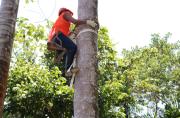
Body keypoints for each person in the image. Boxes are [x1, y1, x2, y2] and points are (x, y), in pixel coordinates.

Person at [47, 8, 96, 77]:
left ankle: (66, 70)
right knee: (73, 47)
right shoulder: (66, 14)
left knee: (68, 52)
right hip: (58, 36)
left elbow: (67, 34)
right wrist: (87, 22)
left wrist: (74, 33)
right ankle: (67, 70)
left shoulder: (62, 22)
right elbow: (75, 21)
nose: (70, 16)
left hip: (57, 38)